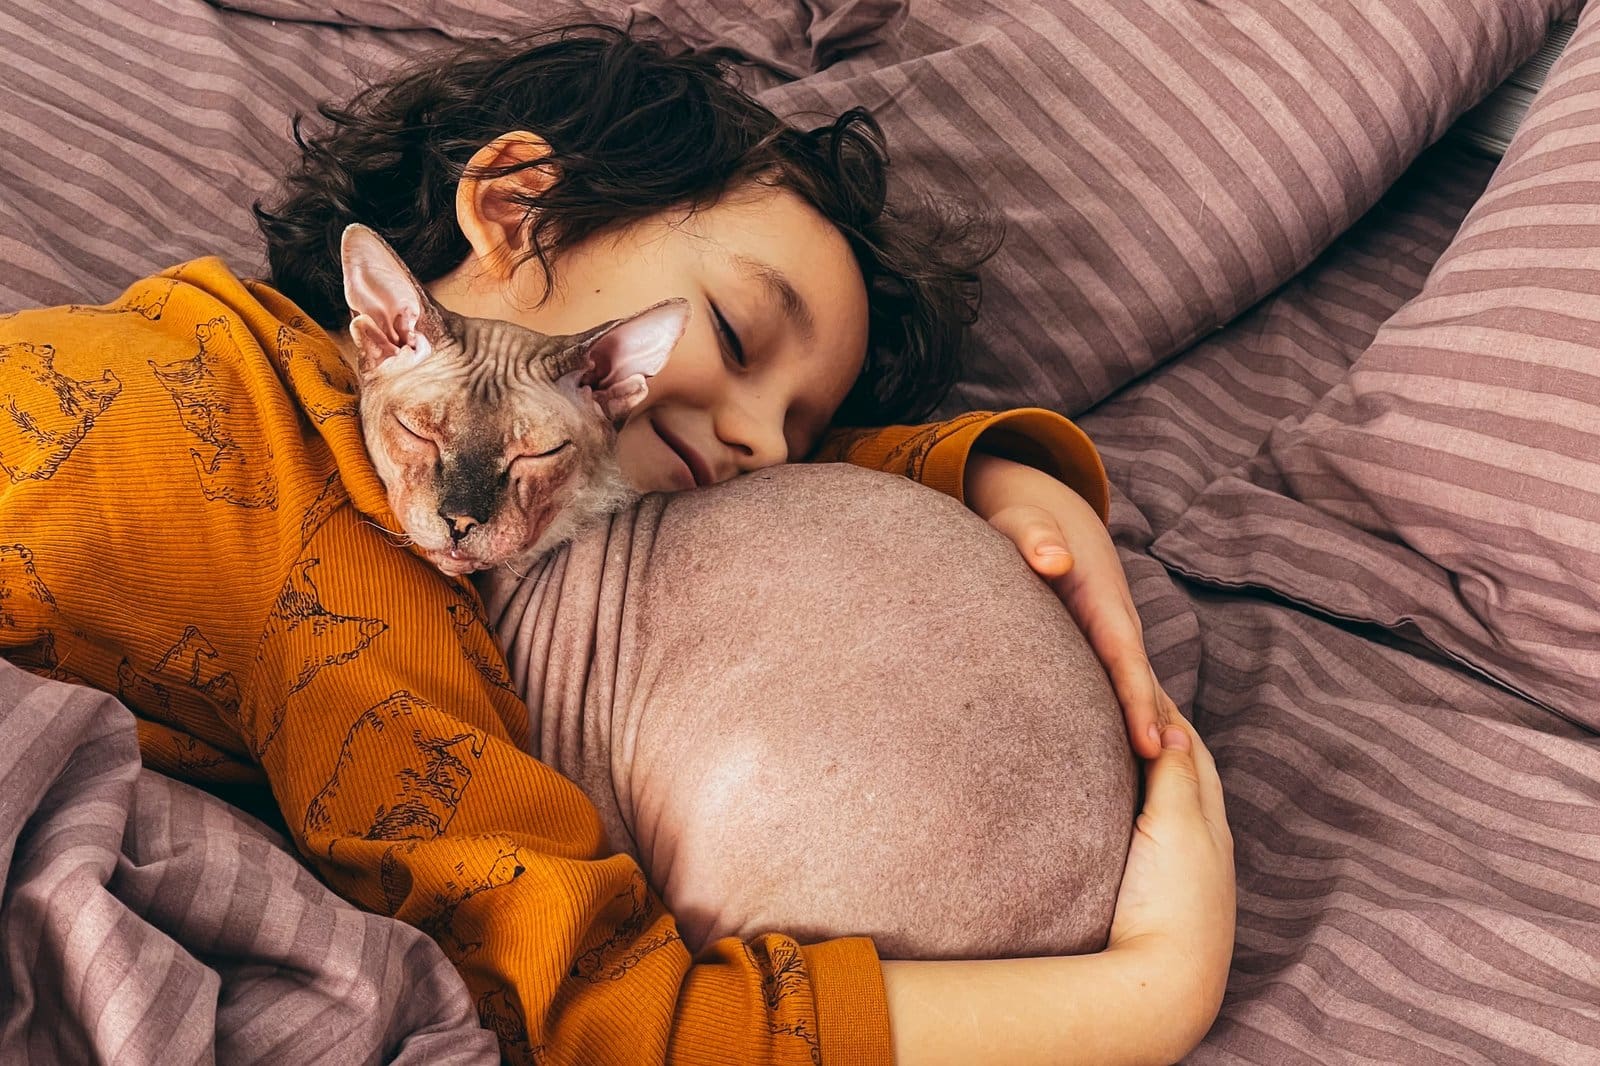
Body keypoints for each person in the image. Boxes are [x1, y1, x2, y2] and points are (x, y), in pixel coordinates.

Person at [1, 21, 1234, 1066]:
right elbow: (608, 1014)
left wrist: (991, 463)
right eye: (745, 341)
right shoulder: (351, 585)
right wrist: (1149, 993)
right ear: (514, 205)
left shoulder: (229, 346)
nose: (755, 445)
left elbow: (597, 459)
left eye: (804, 434)